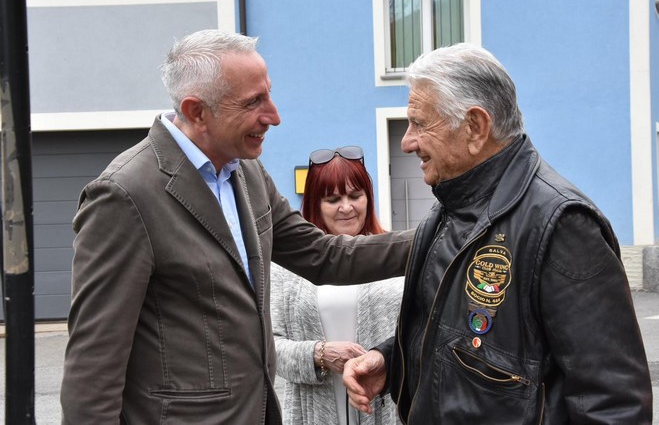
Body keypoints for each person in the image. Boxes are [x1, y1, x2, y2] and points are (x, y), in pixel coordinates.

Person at [59, 29, 414, 424]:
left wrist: (440, 235)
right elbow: (94, 364)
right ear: (197, 112)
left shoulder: (246, 173)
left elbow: (325, 256)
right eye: (253, 102)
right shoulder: (124, 195)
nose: (274, 116)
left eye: (269, 95)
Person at [343, 43, 653, 424]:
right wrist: (392, 360)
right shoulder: (449, 209)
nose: (407, 142)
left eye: (420, 124)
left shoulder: (562, 225)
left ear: (475, 127)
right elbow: (468, 338)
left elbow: (614, 405)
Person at [271, 146, 403, 425]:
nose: (346, 207)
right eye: (333, 199)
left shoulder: (394, 256)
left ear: (368, 198)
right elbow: (270, 347)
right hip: (313, 415)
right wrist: (318, 354)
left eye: (355, 196)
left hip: (386, 412)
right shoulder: (287, 266)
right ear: (315, 203)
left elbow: (418, 334)